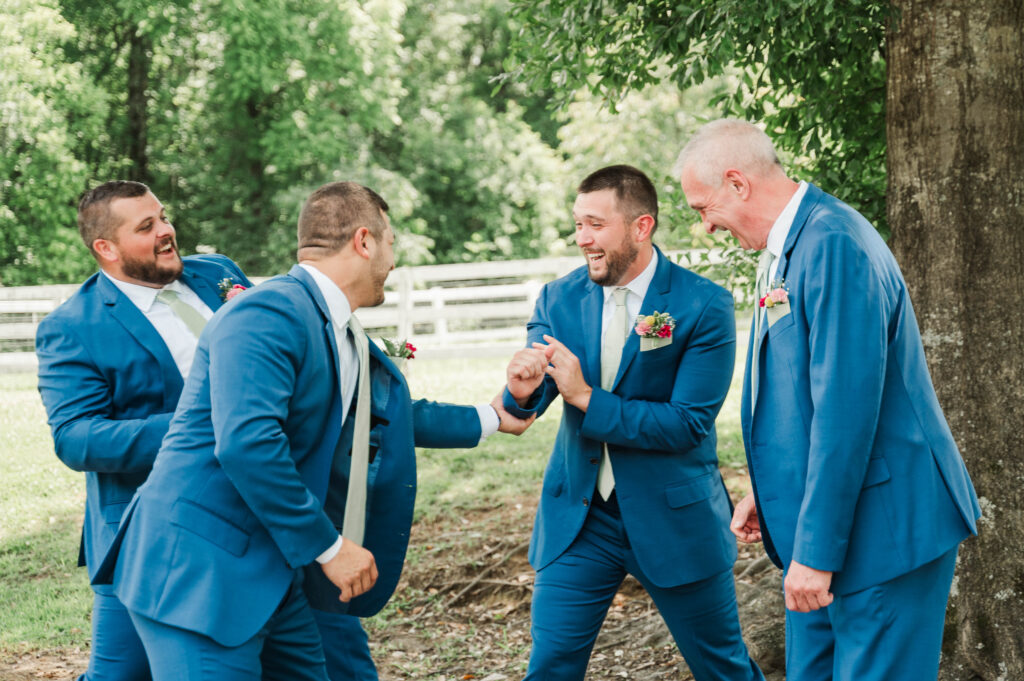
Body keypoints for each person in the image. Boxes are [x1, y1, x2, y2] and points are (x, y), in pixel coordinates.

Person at [92, 181, 532, 680]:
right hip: (200, 572)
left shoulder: (334, 323)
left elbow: (377, 411)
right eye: (391, 243)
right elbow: (248, 445)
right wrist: (331, 547)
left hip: (274, 573)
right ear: (364, 241)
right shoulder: (267, 313)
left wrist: (494, 417)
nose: (393, 260)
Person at [674, 119, 981, 681]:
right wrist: (771, 496)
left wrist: (814, 554)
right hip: (833, 532)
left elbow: (845, 409)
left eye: (702, 208)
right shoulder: (792, 245)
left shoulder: (834, 243)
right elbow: (801, 399)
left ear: (738, 183)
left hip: (884, 529)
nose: (706, 227)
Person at [503, 165, 763, 681]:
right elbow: (528, 403)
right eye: (578, 225)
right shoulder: (558, 299)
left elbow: (686, 425)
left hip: (675, 520)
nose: (583, 239)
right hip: (579, 520)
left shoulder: (703, 305)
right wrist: (521, 387)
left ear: (640, 228)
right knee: (549, 668)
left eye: (595, 225)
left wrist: (584, 396)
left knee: (722, 669)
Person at [35, 180, 252, 681]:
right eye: (146, 226)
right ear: (105, 249)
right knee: (119, 673)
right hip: (146, 529)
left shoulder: (219, 274)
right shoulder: (73, 326)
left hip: (250, 508)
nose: (166, 231)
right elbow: (77, 437)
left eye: (164, 216)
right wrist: (196, 428)